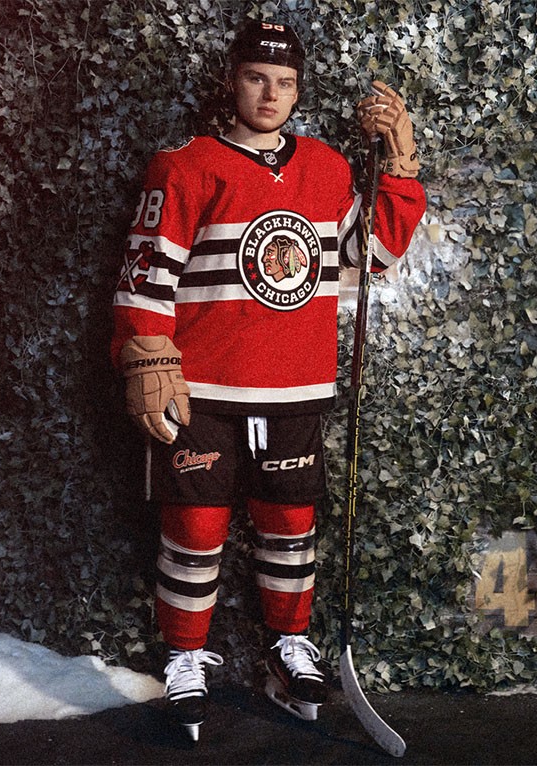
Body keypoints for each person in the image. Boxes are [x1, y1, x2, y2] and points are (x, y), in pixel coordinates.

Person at [110, 18, 426, 741]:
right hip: (204, 391)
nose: (270, 93)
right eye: (257, 77)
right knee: (194, 531)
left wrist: (400, 162)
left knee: (291, 529)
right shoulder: (186, 165)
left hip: (294, 389)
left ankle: (288, 651)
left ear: (298, 91)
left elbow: (370, 255)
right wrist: (146, 353)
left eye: (284, 82)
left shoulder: (325, 168)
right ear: (232, 81)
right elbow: (144, 275)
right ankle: (184, 658)